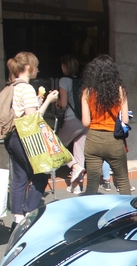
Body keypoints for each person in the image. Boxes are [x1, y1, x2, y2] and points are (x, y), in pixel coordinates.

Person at [4, 52, 58, 232]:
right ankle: (29, 214)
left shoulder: (12, 87)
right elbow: (32, 118)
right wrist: (49, 100)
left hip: (11, 137)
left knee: (19, 178)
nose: (38, 69)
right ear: (29, 68)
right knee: (41, 174)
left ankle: (17, 219)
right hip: (25, 138)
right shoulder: (26, 88)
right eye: (36, 66)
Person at [80, 54, 131, 195]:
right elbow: (125, 120)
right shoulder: (120, 90)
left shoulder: (87, 92)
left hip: (93, 139)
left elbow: (85, 122)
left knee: (92, 184)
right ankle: (129, 215)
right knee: (123, 181)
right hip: (114, 140)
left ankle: (91, 215)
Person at [56, 54, 87, 194]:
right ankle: (77, 186)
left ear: (64, 67)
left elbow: (62, 103)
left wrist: (56, 102)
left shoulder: (64, 81)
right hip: (85, 121)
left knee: (55, 145)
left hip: (72, 119)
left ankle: (74, 166)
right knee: (79, 152)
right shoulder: (83, 81)